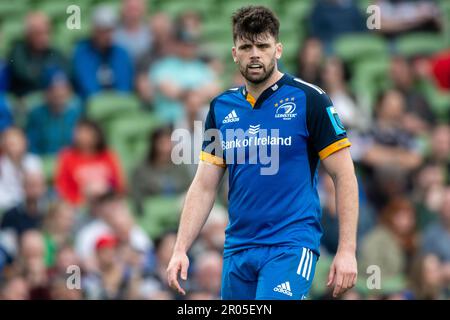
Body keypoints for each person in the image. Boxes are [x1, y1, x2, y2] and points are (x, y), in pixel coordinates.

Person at [167, 6, 359, 300]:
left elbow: (344, 175)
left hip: (291, 244)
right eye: (246, 46)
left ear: (278, 49)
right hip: (238, 249)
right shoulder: (221, 108)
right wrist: (180, 248)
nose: (254, 54)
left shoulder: (310, 99)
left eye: (262, 45)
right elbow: (205, 185)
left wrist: (347, 250)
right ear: (234, 53)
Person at [55, 119, 125, 206]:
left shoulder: (108, 155)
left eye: (86, 132)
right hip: (80, 207)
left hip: (108, 204)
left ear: (96, 135)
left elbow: (119, 185)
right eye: (78, 131)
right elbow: (63, 189)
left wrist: (105, 190)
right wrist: (82, 201)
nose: (80, 135)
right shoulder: (67, 157)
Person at [72, 5, 134, 99]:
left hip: (119, 105)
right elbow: (88, 88)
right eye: (105, 31)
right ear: (95, 30)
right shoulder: (82, 54)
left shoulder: (121, 54)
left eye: (111, 30)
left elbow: (124, 87)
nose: (109, 35)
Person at [7, 12, 68, 96]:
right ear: (28, 34)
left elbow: (64, 74)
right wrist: (48, 75)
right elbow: (23, 75)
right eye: (38, 33)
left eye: (47, 32)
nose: (43, 37)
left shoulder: (55, 52)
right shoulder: (17, 51)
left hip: (51, 100)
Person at [25, 68, 82, 156]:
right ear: (45, 92)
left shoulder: (75, 114)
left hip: (70, 162)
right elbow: (31, 146)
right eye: (53, 89)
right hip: (43, 163)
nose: (59, 93)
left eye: (63, 88)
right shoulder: (37, 115)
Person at [0, 127, 43, 212]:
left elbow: (38, 188)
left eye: (18, 143)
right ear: (4, 145)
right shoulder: (2, 164)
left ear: (25, 142)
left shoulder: (34, 161)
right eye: (11, 144)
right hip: (8, 205)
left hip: (32, 204)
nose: (15, 148)